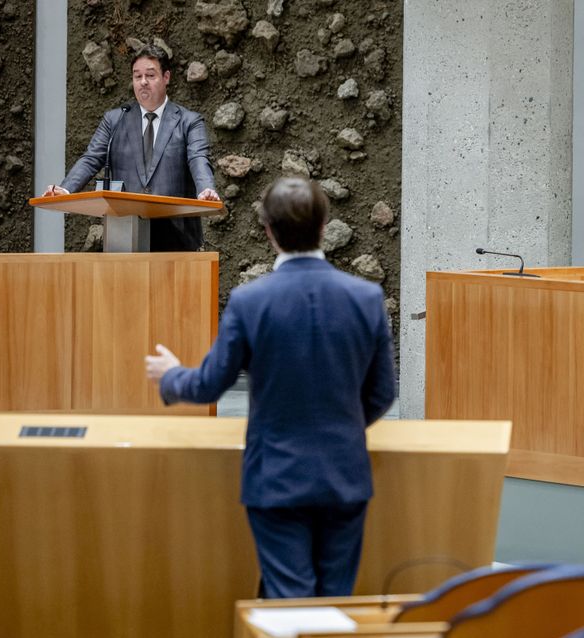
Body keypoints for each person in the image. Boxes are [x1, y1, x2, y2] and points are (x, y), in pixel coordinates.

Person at [144, 177, 396, 597]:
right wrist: (342, 427)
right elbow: (382, 393)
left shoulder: (250, 300)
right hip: (344, 476)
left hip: (277, 478)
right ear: (323, 226)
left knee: (289, 603)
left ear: (268, 231)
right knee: (335, 600)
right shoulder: (366, 297)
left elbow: (209, 385)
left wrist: (171, 375)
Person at [41, 44, 220, 251]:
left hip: (177, 238)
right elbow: (91, 158)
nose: (143, 82)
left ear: (166, 77)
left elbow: (198, 159)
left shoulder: (189, 121)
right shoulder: (115, 120)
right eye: (137, 76)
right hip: (126, 236)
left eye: (150, 75)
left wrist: (206, 188)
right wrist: (66, 189)